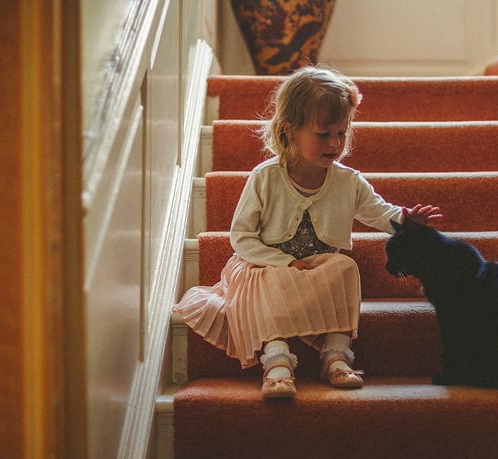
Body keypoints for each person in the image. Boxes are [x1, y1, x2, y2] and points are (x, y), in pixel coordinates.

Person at [173, 65, 443, 399]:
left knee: (345, 267)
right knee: (262, 278)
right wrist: (282, 262)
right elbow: (241, 237)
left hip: (316, 268)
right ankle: (277, 361)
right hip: (267, 264)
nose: (335, 143)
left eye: (342, 133)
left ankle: (336, 355)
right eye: (323, 134)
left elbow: (377, 210)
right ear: (289, 131)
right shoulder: (266, 177)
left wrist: (404, 220)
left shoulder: (347, 181)